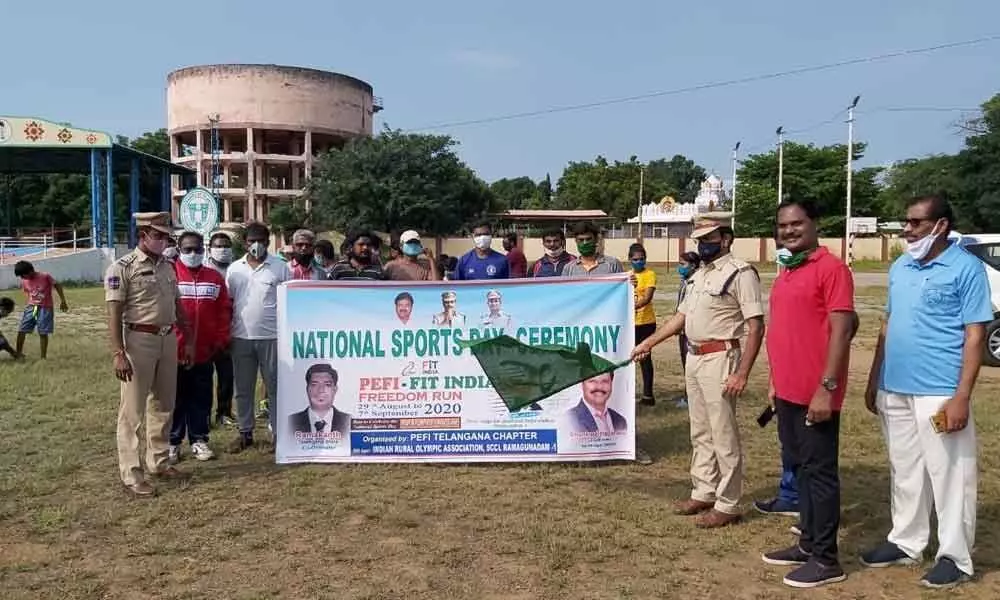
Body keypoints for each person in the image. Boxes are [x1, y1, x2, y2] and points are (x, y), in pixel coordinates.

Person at [860, 195, 989, 589]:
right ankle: (906, 540)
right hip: (895, 387)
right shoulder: (901, 266)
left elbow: (975, 335)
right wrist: (874, 378)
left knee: (950, 474)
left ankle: (955, 556)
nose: (907, 229)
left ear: (941, 225)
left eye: (916, 223)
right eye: (907, 221)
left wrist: (961, 396)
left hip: (939, 390)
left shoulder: (966, 269)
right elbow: (888, 323)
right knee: (906, 469)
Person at [631, 218, 765, 528]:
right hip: (694, 358)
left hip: (722, 357)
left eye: (709, 238)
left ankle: (728, 503)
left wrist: (742, 372)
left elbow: (756, 326)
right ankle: (704, 490)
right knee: (700, 430)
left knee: (723, 432)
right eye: (699, 240)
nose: (702, 245)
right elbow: (680, 317)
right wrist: (648, 343)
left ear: (726, 239)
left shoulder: (740, 273)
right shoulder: (699, 275)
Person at [759, 200, 855, 589]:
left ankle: (827, 559)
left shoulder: (832, 269)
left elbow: (842, 330)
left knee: (820, 474)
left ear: (815, 224)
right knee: (800, 469)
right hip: (788, 392)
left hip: (817, 394)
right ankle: (808, 544)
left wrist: (826, 389)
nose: (789, 231)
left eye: (797, 224)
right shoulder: (788, 270)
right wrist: (775, 382)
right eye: (783, 225)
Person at [104, 212, 193, 498]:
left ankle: (159, 461)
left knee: (164, 403)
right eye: (158, 236)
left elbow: (177, 305)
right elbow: (113, 313)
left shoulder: (168, 266)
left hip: (168, 339)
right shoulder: (122, 267)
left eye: (166, 236)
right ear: (143, 235)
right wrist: (118, 352)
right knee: (132, 411)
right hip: (138, 340)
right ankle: (131, 474)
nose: (163, 241)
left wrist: (187, 339)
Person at [169, 231, 231, 464]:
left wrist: (221, 340)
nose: (193, 254)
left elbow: (224, 311)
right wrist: (176, 345)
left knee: (201, 397)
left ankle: (199, 439)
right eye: (187, 250)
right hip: (175, 353)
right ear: (178, 249)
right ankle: (172, 443)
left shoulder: (214, 278)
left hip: (206, 351)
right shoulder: (170, 275)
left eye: (197, 249)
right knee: (174, 399)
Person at [226, 221, 289, 451]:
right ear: (245, 242)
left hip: (272, 337)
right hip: (241, 337)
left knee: (274, 386)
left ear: (268, 242)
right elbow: (229, 303)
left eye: (261, 241)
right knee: (243, 387)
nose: (256, 245)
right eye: (252, 241)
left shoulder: (280, 268)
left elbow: (287, 303)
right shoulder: (234, 269)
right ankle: (245, 432)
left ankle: (278, 433)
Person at [205, 231, 236, 427]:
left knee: (227, 376)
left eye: (226, 246)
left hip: (229, 332)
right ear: (210, 249)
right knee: (204, 378)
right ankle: (204, 414)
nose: (222, 249)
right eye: (218, 246)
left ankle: (224, 412)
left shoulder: (237, 270)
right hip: (206, 333)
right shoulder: (205, 270)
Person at [13, 260, 68, 359]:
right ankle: (18, 353)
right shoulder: (25, 281)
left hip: (45, 308)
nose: (22, 278)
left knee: (42, 332)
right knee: (22, 330)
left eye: (23, 275)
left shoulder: (45, 276)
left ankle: (43, 357)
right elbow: (28, 292)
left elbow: (58, 286)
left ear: (30, 271)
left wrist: (63, 301)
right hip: (32, 308)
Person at [288, 363, 352, 436]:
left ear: (335, 389)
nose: (321, 390)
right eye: (314, 385)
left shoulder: (349, 421)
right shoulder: (290, 422)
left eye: (327, 385)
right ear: (307, 389)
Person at [629, 244, 657, 406]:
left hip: (645, 323)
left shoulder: (650, 275)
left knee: (644, 358)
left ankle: (648, 395)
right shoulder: (627, 275)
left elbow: (647, 298)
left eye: (642, 259)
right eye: (635, 259)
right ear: (630, 260)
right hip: (630, 323)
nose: (639, 262)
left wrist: (630, 307)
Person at [674, 252, 701, 409]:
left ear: (693, 265)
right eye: (679, 263)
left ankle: (692, 397)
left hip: (690, 329)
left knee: (691, 365)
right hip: (682, 330)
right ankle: (688, 394)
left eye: (683, 264)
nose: (680, 267)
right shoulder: (684, 281)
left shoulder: (695, 282)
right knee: (686, 364)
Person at [562, 372, 627, 434]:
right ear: (582, 384)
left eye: (605, 381)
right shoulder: (568, 420)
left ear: (611, 383)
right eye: (592, 381)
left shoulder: (621, 421)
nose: (599, 387)